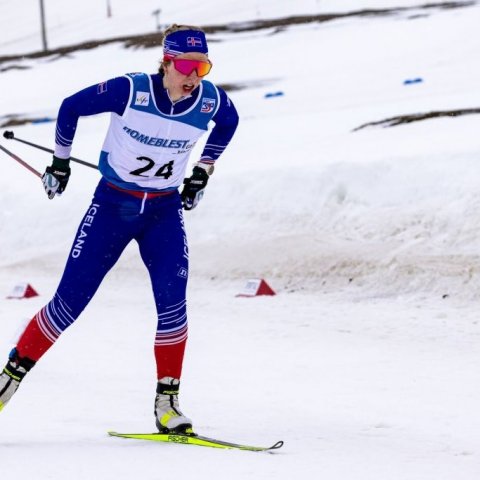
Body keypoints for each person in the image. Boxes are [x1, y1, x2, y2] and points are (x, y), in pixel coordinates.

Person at [0, 24, 239, 434]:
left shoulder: (210, 100)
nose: (193, 76)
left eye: (202, 67)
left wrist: (203, 170)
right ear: (166, 62)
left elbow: (230, 122)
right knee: (67, 305)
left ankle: (168, 404)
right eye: (185, 66)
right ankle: (8, 381)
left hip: (162, 213)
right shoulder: (132, 90)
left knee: (173, 307)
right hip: (113, 206)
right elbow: (70, 106)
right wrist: (60, 162)